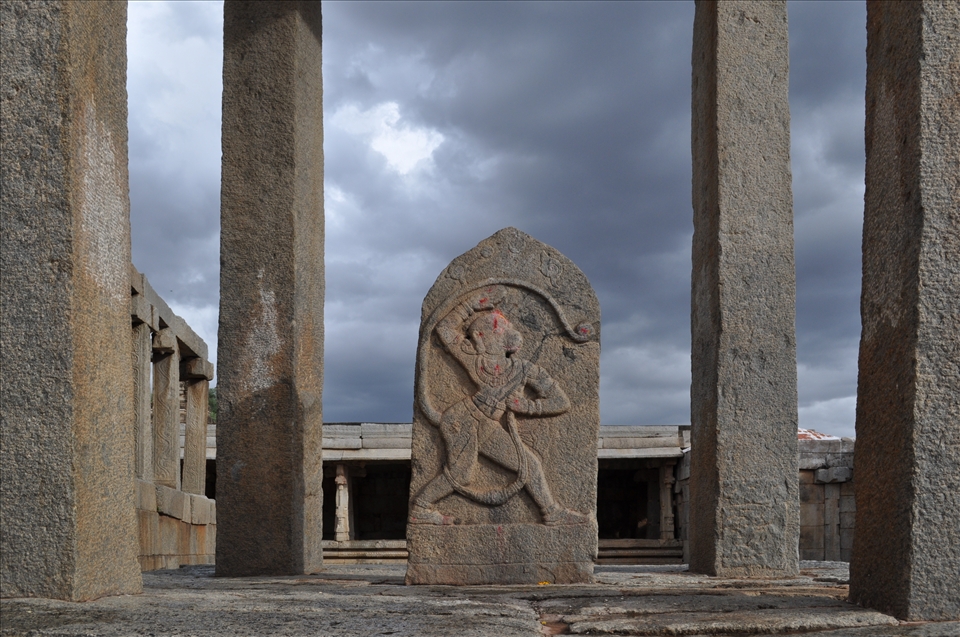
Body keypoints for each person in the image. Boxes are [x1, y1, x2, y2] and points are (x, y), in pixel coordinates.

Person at [409, 286, 588, 526]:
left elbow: (561, 402)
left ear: (504, 338)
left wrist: (526, 405)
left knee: (529, 463)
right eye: (473, 337)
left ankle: (551, 513)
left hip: (484, 424)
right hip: (461, 419)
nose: (476, 341)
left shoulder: (525, 370)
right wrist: (472, 304)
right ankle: (420, 508)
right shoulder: (475, 360)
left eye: (482, 335)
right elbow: (444, 328)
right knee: (462, 474)